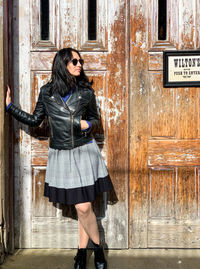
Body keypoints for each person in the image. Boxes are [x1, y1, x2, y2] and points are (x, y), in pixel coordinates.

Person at [6, 47, 114, 269]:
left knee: (83, 207)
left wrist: (89, 124)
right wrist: (10, 108)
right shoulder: (47, 92)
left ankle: (88, 251)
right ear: (62, 64)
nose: (79, 65)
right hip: (61, 154)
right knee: (81, 207)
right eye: (74, 61)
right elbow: (36, 120)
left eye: (80, 61)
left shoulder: (86, 92)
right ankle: (93, 249)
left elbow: (95, 119)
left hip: (84, 151)